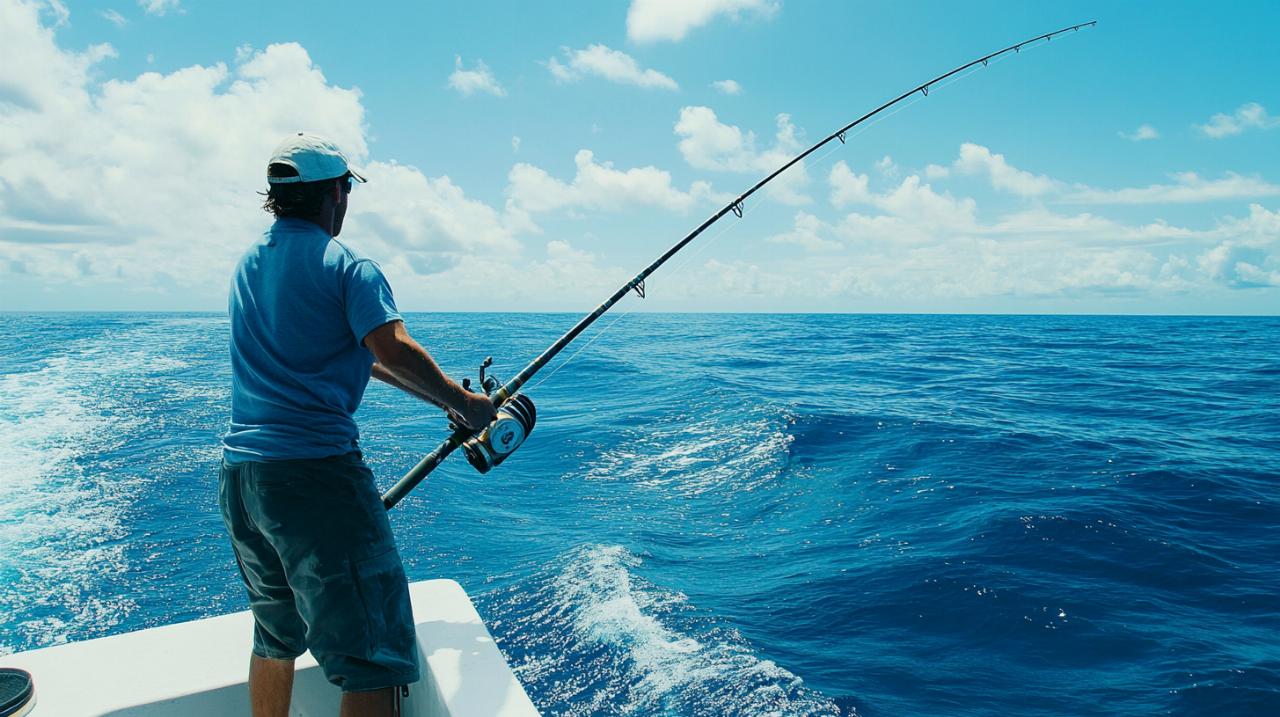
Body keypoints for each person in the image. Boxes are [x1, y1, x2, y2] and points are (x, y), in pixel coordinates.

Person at [219, 132, 497, 717]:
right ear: (336, 194)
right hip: (315, 481)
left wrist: (442, 400)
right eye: (346, 189)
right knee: (372, 656)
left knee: (275, 634)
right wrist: (469, 407)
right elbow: (391, 349)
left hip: (244, 482)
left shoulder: (250, 263)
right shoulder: (348, 267)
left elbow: (357, 356)